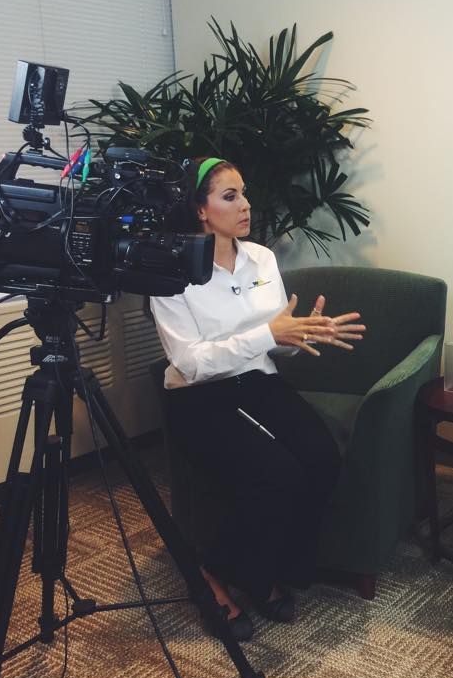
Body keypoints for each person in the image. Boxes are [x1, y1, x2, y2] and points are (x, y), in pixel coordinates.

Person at [150, 157, 366, 641]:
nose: (245, 205)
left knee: (322, 459)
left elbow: (274, 342)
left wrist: (302, 334)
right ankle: (213, 570)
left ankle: (268, 567)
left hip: (258, 382)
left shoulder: (262, 259)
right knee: (276, 475)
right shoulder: (171, 275)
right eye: (230, 196)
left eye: (244, 193)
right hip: (199, 398)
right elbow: (191, 362)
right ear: (200, 210)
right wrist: (268, 334)